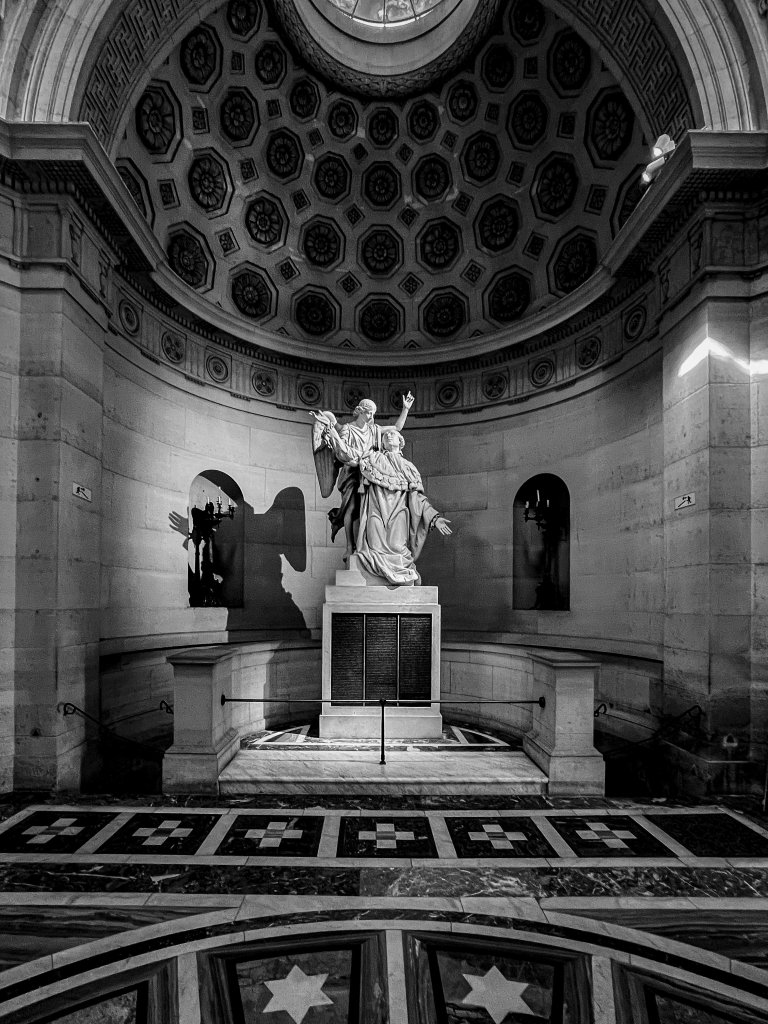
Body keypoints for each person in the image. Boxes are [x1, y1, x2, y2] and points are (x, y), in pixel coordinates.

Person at [311, 393, 414, 564]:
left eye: (373, 413)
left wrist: (405, 409)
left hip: (370, 474)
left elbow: (397, 428)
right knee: (351, 508)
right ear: (360, 411)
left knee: (369, 510)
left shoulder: (374, 430)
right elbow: (341, 451)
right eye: (369, 412)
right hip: (351, 472)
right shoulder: (347, 429)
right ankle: (350, 547)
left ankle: (368, 546)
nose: (371, 416)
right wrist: (333, 437)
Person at [354, 427, 451, 586]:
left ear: (401, 441)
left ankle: (400, 575)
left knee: (397, 547)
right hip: (376, 510)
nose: (388, 435)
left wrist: (434, 518)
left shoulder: (408, 467)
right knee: (374, 547)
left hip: (399, 512)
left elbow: (418, 499)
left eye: (393, 434)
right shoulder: (373, 459)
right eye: (385, 435)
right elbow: (350, 454)